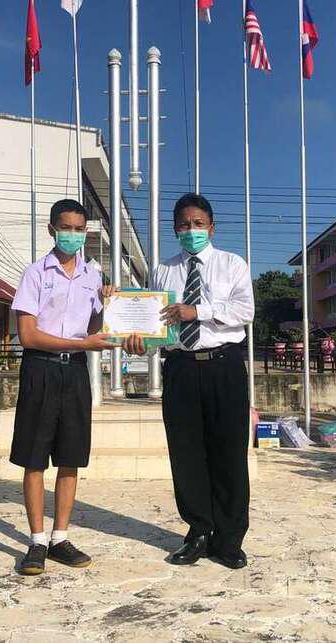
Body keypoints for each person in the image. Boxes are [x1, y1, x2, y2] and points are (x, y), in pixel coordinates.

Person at [122, 194, 254, 570]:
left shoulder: (232, 264)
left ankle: (229, 539)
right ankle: (198, 531)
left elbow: (245, 310)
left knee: (229, 453)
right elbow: (155, 323)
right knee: (186, 454)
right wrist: (139, 340)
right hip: (180, 367)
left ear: (211, 227)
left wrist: (197, 311)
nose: (191, 230)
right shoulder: (163, 271)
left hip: (223, 366)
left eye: (198, 223)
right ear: (174, 228)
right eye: (183, 224)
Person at [9, 199, 116, 576]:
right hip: (40, 368)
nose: (73, 235)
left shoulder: (92, 276)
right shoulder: (35, 274)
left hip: (75, 373)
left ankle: (60, 538)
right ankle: (37, 540)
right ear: (52, 229)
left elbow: (94, 330)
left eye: (79, 229)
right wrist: (81, 343)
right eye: (66, 228)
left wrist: (107, 306)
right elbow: (28, 335)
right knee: (34, 457)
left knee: (71, 456)